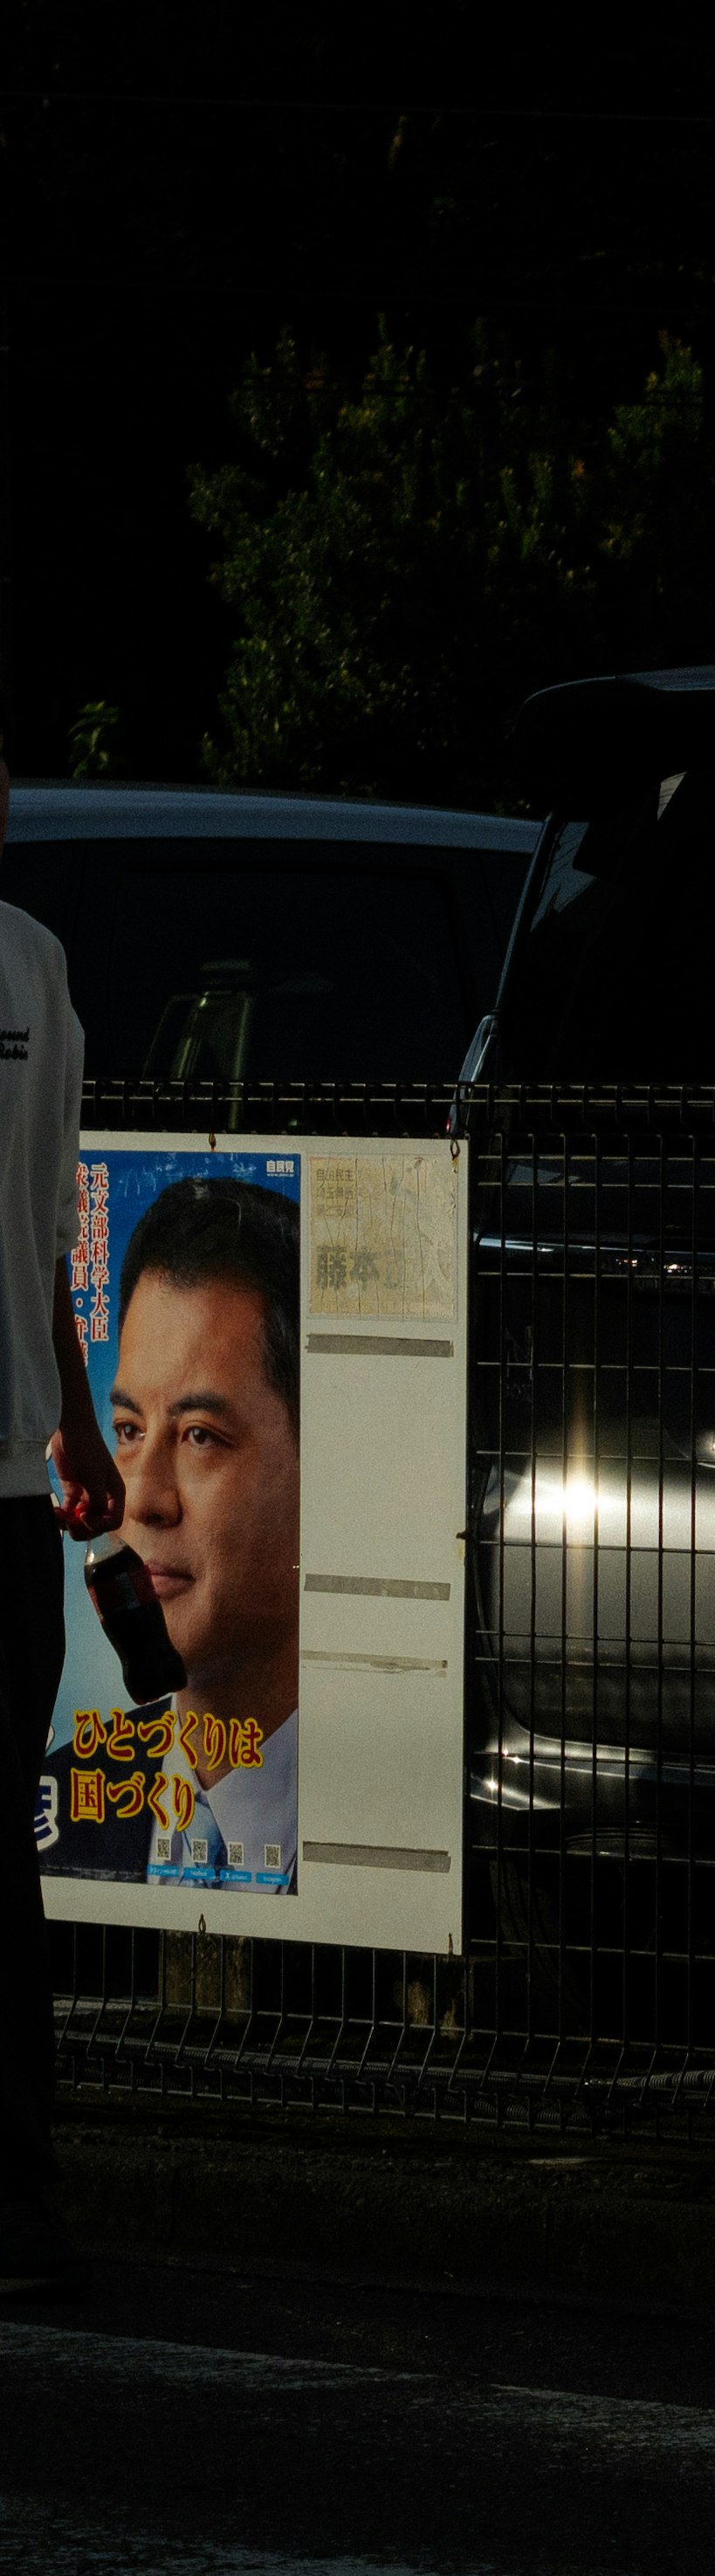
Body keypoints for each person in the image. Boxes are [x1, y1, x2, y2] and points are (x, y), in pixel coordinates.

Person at [0, 728, 127, 2299]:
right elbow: (49, 1225)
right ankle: (19, 2207)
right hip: (10, 1481)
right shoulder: (36, 964)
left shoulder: (38, 962)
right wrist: (76, 1420)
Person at [110, 1178, 300, 1891]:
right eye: (128, 1431)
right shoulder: (63, 1799)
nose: (144, 1499)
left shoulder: (392, 1807)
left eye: (199, 1437)